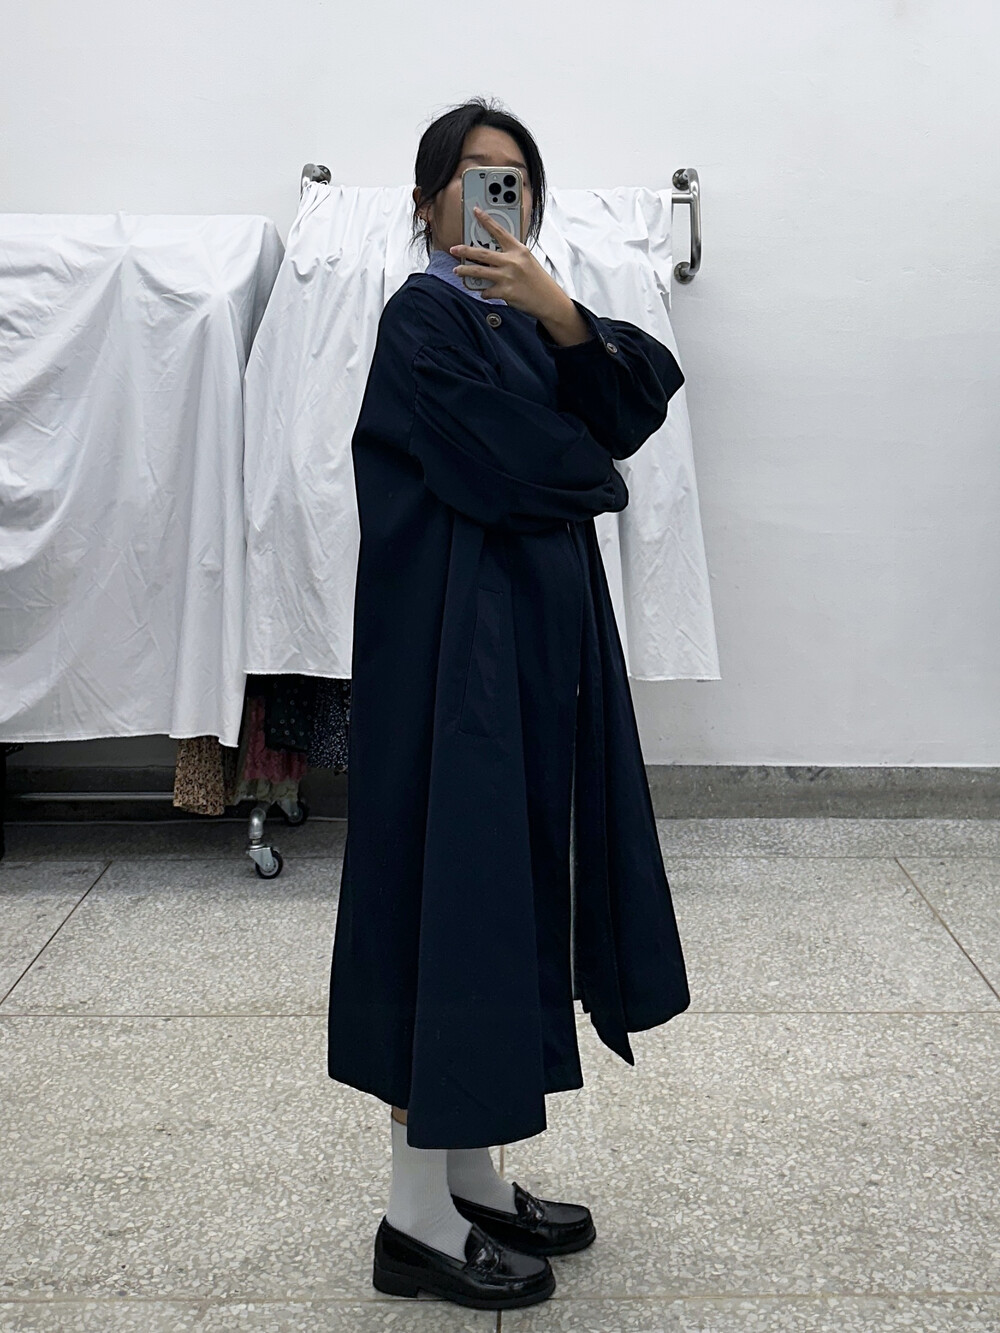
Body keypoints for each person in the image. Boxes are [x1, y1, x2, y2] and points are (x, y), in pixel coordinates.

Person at [326, 97, 691, 1311]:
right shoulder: (420, 317)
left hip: (523, 656)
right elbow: (515, 463)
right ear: (425, 197)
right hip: (447, 663)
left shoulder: (531, 318)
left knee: (504, 891)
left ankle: (470, 1176)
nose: (503, 196)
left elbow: (631, 406)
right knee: (444, 897)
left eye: (519, 180)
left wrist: (563, 315)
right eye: (478, 176)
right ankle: (412, 1218)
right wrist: (594, 476)